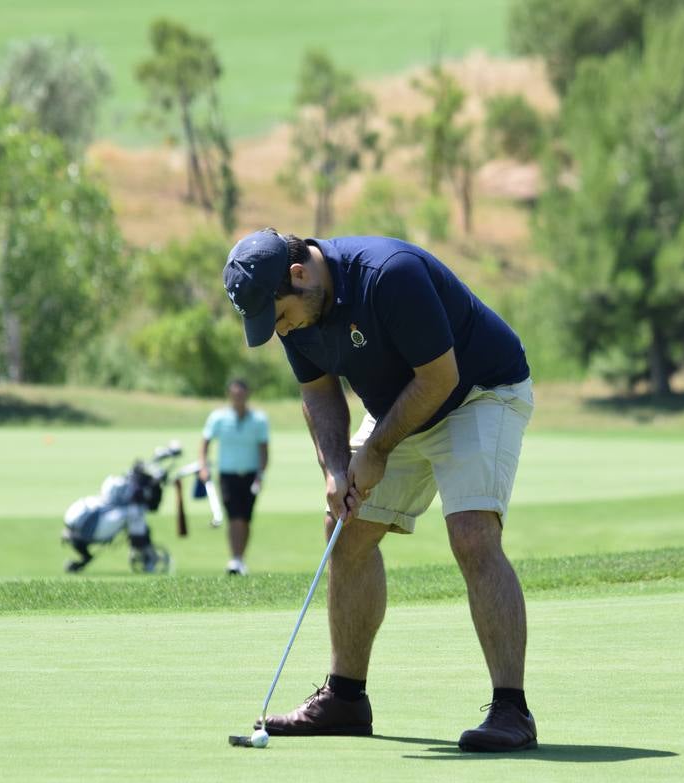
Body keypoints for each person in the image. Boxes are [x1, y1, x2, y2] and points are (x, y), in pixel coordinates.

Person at [222, 228, 537, 752]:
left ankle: (512, 710)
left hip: (480, 391)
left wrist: (376, 451)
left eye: (278, 317)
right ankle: (346, 698)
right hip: (404, 402)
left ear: (298, 276)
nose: (281, 330)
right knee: (344, 530)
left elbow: (439, 378)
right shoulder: (296, 310)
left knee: (472, 534)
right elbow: (318, 393)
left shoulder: (389, 275)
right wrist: (336, 468)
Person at [199, 378, 269, 575]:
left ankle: (240, 559)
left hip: (250, 475)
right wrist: (203, 466)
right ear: (229, 395)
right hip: (227, 475)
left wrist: (260, 475)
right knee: (234, 517)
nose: (237, 398)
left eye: (241, 394)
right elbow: (204, 443)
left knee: (245, 518)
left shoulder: (259, 420)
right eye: (234, 394)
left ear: (247, 395)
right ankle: (235, 559)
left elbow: (264, 450)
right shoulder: (218, 418)